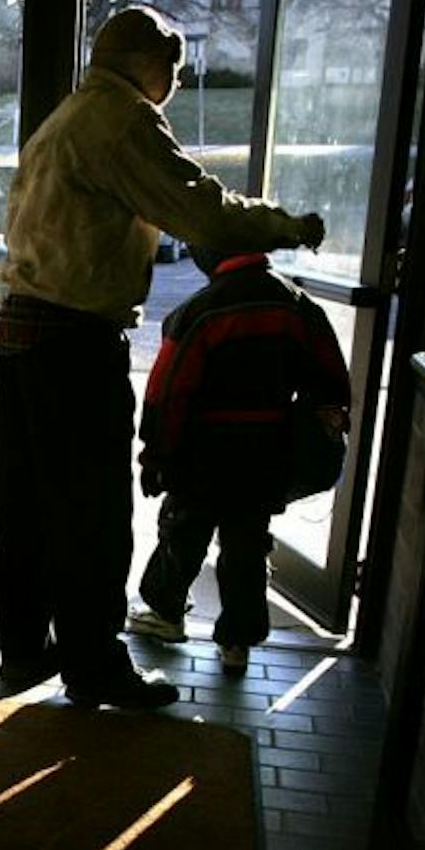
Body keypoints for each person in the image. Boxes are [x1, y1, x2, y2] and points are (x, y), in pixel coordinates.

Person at [0, 5, 325, 708]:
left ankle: (25, 647)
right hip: (73, 339)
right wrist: (287, 227)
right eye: (172, 66)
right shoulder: (124, 120)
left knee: (26, 506)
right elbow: (202, 211)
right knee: (92, 512)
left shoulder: (65, 119)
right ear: (148, 62)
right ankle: (94, 666)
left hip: (20, 330)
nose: (175, 80)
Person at [130, 243, 352, 673]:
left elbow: (168, 391)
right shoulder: (296, 305)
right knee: (247, 542)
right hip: (268, 448)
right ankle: (237, 641)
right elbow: (330, 379)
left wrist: (156, 453)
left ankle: (166, 613)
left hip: (204, 451)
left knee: (184, 531)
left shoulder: (200, 311)